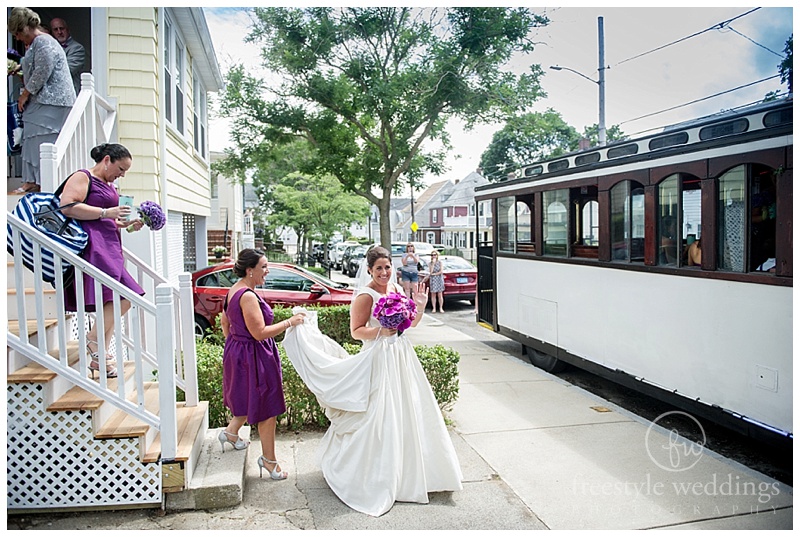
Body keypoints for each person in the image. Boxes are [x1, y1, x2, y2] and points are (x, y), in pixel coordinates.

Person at [282, 246, 463, 516]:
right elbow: (356, 332)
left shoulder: (398, 290)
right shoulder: (365, 296)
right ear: (369, 269)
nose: (384, 272)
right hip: (378, 358)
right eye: (378, 268)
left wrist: (421, 308)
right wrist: (381, 329)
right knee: (378, 414)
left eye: (387, 267)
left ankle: (412, 473)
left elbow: (409, 325)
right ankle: (372, 476)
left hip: (401, 356)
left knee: (409, 412)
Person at [217, 248, 306, 480]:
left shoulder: (233, 290)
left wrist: (235, 344)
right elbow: (259, 333)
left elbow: (224, 321)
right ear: (250, 270)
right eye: (264, 267)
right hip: (254, 355)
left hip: (238, 352)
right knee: (268, 408)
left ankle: (231, 433)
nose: (267, 271)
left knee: (248, 397)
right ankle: (269, 461)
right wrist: (291, 322)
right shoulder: (247, 295)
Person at [60, 143, 143, 378]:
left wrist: (126, 224)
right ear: (107, 160)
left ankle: (98, 355)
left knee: (120, 298)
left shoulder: (109, 184)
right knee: (124, 295)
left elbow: (107, 217)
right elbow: (67, 206)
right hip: (93, 246)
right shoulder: (83, 177)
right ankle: (94, 341)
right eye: (121, 168)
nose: (122, 174)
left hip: (111, 243)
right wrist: (106, 213)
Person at [8, 7, 76, 194]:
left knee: (42, 138)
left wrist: (24, 94)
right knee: (31, 137)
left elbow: (42, 72)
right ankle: (32, 180)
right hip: (42, 100)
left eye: (18, 34)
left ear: (25, 28)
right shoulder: (37, 43)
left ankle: (41, 181)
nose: (19, 38)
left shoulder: (44, 42)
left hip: (53, 101)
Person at [49, 17, 86, 96]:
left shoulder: (77, 48)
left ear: (68, 30)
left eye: (62, 28)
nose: (59, 32)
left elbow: (65, 71)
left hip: (70, 95)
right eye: (55, 29)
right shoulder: (50, 47)